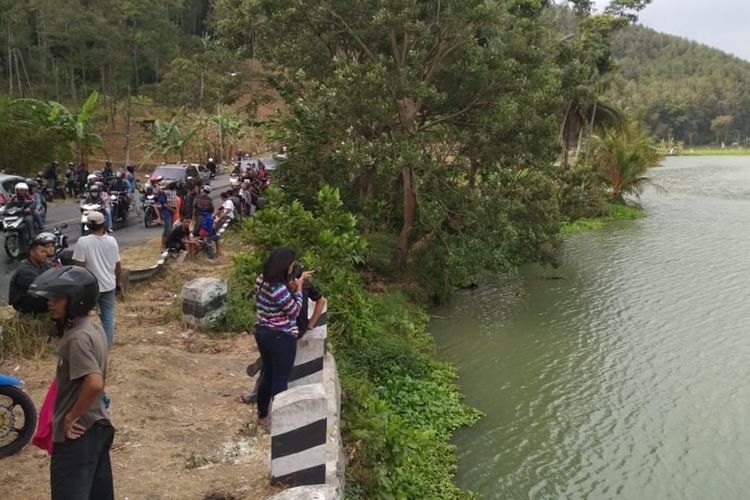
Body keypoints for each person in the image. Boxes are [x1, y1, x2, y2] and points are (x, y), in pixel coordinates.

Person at [29, 266, 114, 500]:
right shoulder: (93, 327)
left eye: (57, 298)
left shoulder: (77, 338)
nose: (50, 303)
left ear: (75, 300)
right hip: (97, 427)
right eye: (50, 297)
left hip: (77, 436)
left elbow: (94, 383)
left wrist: (70, 417)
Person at [239, 264, 326, 405]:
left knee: (270, 366)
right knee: (271, 365)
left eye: (294, 281)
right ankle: (258, 392)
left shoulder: (305, 287)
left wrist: (311, 323)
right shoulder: (281, 288)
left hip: (294, 331)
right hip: (281, 329)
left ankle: (257, 394)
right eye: (289, 281)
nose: (291, 284)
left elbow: (321, 301)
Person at [252, 248, 311, 425]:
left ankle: (263, 416)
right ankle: (280, 423)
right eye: (292, 266)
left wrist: (291, 286)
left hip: (262, 332)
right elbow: (294, 311)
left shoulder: (261, 279)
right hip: (281, 336)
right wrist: (299, 288)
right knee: (280, 380)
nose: (293, 269)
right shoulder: (278, 288)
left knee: (268, 375)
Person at [72, 211, 122, 347]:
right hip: (109, 285)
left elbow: (78, 267)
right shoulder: (112, 241)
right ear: (103, 224)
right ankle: (107, 346)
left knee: (83, 317)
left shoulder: (83, 242)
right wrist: (119, 283)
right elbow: (118, 265)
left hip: (90, 287)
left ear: (88, 225)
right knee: (107, 317)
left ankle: (84, 344)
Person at [8, 233, 55, 314]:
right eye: (42, 252)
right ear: (32, 252)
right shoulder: (25, 270)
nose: (45, 254)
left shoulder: (44, 263)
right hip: (22, 303)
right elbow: (43, 287)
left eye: (45, 252)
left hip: (33, 295)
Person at [156, 181, 177, 250]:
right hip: (167, 211)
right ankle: (163, 245)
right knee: (167, 229)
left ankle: (167, 244)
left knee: (169, 228)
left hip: (170, 211)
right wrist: (172, 209)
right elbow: (164, 204)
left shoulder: (171, 192)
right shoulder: (163, 193)